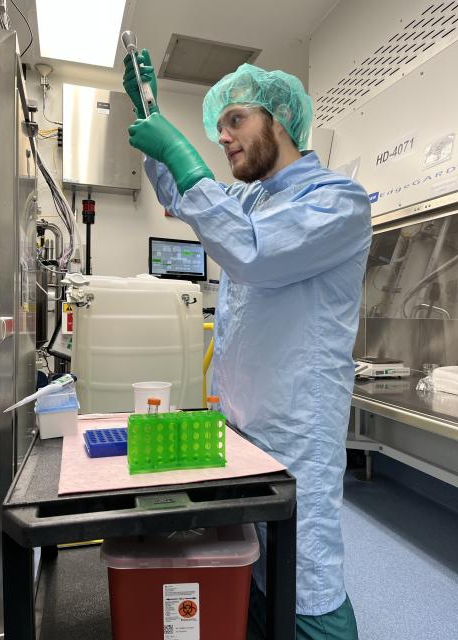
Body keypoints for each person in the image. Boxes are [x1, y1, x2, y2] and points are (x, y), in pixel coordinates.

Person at [123, 51, 372, 640]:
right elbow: (190, 201)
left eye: (235, 120)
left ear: (278, 120)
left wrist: (185, 154)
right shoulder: (253, 201)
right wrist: (152, 124)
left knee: (306, 578)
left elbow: (254, 253)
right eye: (218, 129)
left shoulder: (338, 202)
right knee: (251, 566)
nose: (223, 137)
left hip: (295, 433)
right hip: (240, 423)